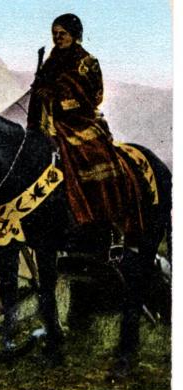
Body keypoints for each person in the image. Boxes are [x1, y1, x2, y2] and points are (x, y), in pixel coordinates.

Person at [27, 14, 144, 237]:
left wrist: (55, 97)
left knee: (93, 156)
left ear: (75, 35)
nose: (58, 38)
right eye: (55, 34)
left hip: (80, 121)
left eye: (63, 34)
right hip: (50, 121)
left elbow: (94, 96)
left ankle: (106, 221)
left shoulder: (87, 62)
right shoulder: (50, 61)